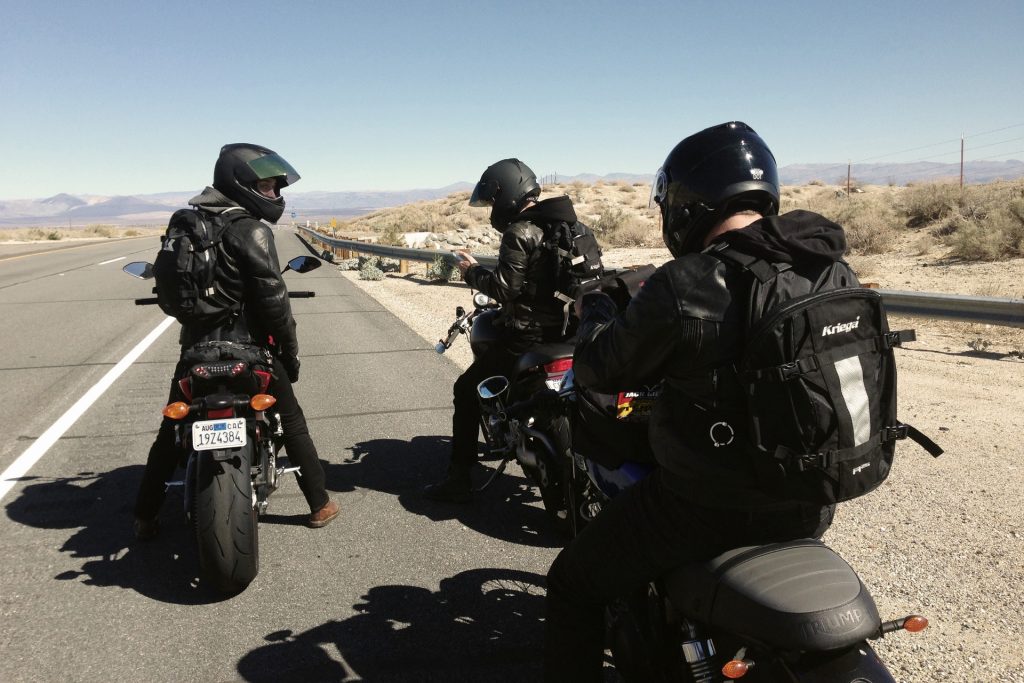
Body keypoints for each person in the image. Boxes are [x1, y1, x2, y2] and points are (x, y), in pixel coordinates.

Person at [543, 122, 859, 680]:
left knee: (572, 583)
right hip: (811, 497)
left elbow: (600, 365)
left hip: (705, 506)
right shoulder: (828, 266)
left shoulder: (686, 283)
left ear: (687, 203)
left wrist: (595, 307)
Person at [133, 143, 339, 539]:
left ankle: (144, 515)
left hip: (196, 349)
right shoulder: (251, 230)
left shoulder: (184, 223)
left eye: (277, 187)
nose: (274, 194)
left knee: (170, 429)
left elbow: (170, 290)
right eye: (266, 186)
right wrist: (290, 356)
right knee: (291, 420)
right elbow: (274, 304)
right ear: (239, 182)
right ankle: (319, 504)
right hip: (249, 348)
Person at [423, 158, 591, 503]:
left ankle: (458, 478)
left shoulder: (521, 231)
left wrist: (470, 270)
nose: (493, 209)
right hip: (574, 333)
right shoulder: (575, 228)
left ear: (505, 193)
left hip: (527, 336)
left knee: (465, 389)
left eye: (493, 201)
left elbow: (504, 290)